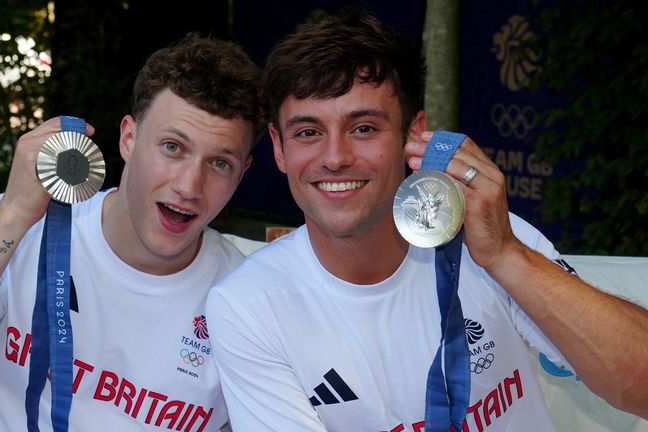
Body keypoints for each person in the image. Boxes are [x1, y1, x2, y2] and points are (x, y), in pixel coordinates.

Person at [205, 7, 648, 431]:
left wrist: (507, 257)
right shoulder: (248, 304)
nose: (335, 157)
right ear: (279, 149)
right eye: (308, 133)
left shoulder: (490, 238)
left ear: (414, 134)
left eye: (363, 128)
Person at [0, 32, 264, 431]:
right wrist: (12, 216)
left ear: (243, 174)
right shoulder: (21, 226)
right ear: (129, 138)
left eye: (220, 163)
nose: (189, 186)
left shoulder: (246, 298)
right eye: (172, 147)